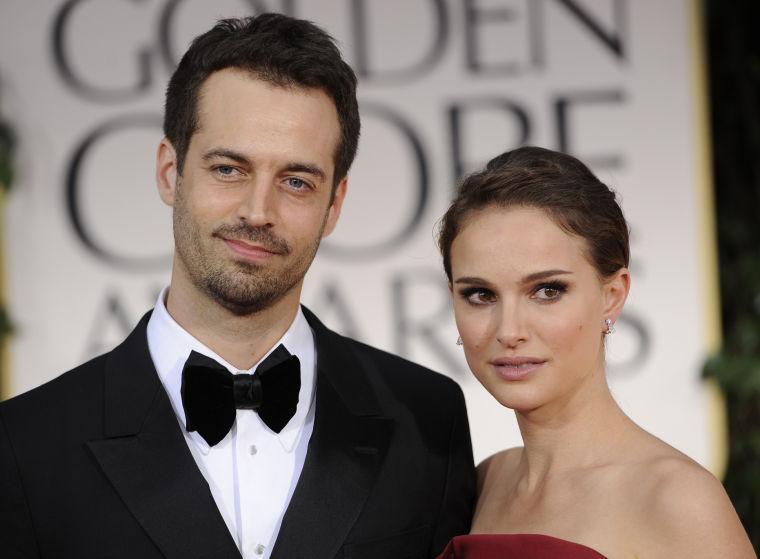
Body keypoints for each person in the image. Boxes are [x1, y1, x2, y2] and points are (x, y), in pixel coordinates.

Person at [0, 14, 476, 559]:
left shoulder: (428, 419)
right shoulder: (23, 445)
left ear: (334, 206)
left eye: (296, 182)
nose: (258, 212)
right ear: (169, 171)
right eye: (229, 169)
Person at [434, 146, 755, 558]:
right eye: (480, 294)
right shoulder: (486, 482)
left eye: (547, 291)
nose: (509, 330)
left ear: (612, 295)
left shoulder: (677, 500)